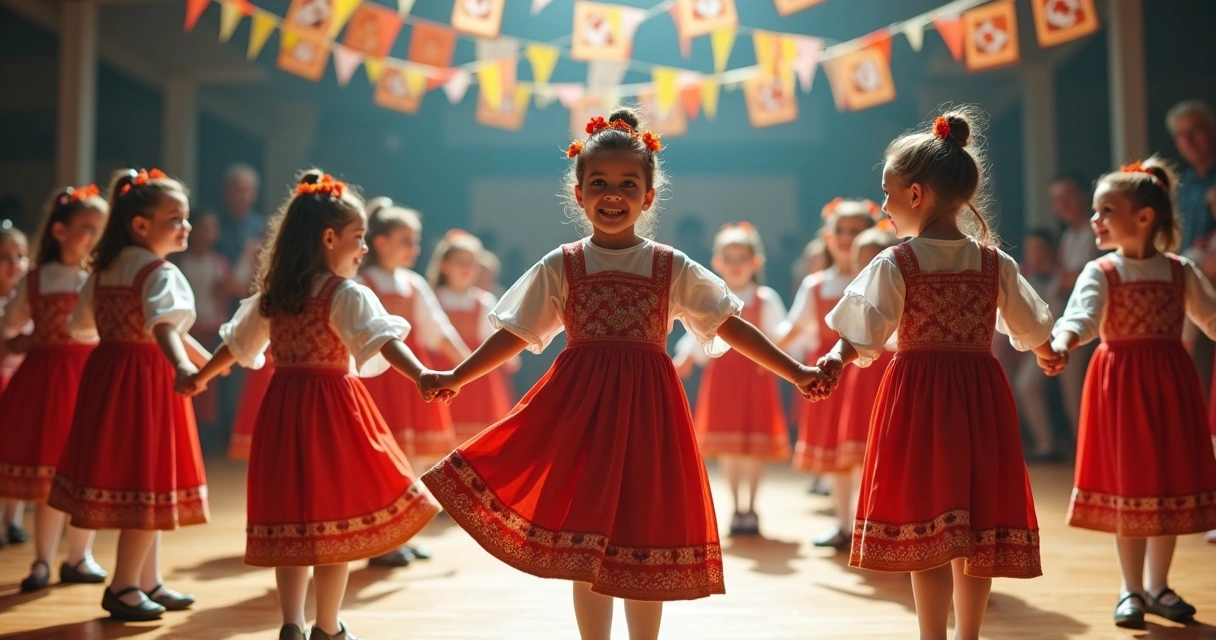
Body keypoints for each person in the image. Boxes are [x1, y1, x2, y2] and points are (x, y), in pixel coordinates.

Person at [419, 109, 828, 640]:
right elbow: (516, 332)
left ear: (649, 196)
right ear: (579, 193)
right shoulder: (562, 264)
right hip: (580, 416)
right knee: (585, 538)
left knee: (643, 530)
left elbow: (730, 327)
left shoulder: (670, 265)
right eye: (600, 184)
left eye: (627, 184)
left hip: (649, 414)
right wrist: (459, 373)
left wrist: (794, 370)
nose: (613, 194)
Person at [812, 108, 1057, 640]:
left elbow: (864, 331)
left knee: (931, 519)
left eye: (888, 193)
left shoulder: (897, 262)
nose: (883, 205)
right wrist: (1046, 350)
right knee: (976, 519)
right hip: (977, 396)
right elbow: (1032, 323)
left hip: (919, 396)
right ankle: (965, 634)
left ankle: (934, 635)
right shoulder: (994, 264)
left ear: (917, 195)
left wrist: (836, 358)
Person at [185, 171, 442, 640]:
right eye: (358, 238)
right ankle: (328, 625)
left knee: (292, 521)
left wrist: (199, 376)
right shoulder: (345, 294)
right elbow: (382, 340)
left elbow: (236, 346)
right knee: (334, 521)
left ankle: (291, 624)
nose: (362, 249)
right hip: (334, 412)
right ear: (329, 239)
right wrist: (422, 375)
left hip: (284, 409)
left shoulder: (275, 297)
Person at [1048, 157, 1216, 629]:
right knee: (1131, 483)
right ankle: (1132, 588)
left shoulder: (1181, 271)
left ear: (1143, 217)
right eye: (1096, 211)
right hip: (1120, 384)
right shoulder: (1102, 271)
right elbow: (1079, 318)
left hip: (1170, 385)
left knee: (1165, 483)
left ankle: (1159, 584)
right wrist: (1062, 343)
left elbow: (1211, 318)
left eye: (1105, 211)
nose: (1094, 220)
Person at [48, 169, 210, 621]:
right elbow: (164, 326)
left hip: (108, 374)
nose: (186, 226)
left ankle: (146, 579)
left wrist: (203, 356)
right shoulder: (160, 272)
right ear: (141, 225)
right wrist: (184, 364)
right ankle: (123, 586)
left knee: (138, 477)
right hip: (147, 381)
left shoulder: (104, 271)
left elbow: (79, 326)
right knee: (147, 481)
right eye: (175, 218)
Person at [0, 186, 108, 591]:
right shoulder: (36, 280)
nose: (93, 237)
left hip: (87, 379)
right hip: (44, 383)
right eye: (86, 228)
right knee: (49, 478)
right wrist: (20, 340)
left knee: (85, 472)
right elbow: (10, 324)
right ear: (60, 231)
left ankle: (80, 556)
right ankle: (43, 561)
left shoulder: (95, 278)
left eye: (99, 229)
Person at [674, 222, 788, 536]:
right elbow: (698, 332)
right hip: (723, 378)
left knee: (753, 444)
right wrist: (685, 354)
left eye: (742, 258)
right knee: (728, 445)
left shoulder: (765, 298)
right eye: (730, 258)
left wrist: (783, 355)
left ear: (756, 262)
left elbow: (781, 335)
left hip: (755, 377)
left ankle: (750, 506)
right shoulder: (713, 297)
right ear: (718, 263)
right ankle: (736, 505)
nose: (736, 266)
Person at [779, 198, 877, 548]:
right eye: (842, 231)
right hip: (832, 375)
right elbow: (792, 326)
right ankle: (844, 525)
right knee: (837, 453)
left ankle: (872, 525)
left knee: (868, 451)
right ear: (829, 236)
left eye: (856, 231)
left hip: (870, 374)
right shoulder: (817, 283)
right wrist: (762, 350)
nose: (848, 238)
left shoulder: (881, 279)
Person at [427, 229, 518, 442]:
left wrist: (511, 358)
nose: (467, 268)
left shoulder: (484, 301)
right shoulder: (433, 298)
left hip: (477, 377)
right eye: (461, 262)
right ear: (444, 265)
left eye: (472, 263)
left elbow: (495, 336)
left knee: (475, 438)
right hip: (440, 369)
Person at [1051, 172, 1100, 435]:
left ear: (1083, 195)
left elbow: (1081, 275)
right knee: (1070, 386)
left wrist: (1059, 273)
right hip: (1067, 318)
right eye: (1057, 199)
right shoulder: (1069, 235)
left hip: (1089, 320)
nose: (1062, 204)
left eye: (1067, 195)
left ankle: (1089, 445)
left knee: (1079, 385)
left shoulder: (1097, 231)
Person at [1014, 228, 1066, 461]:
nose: (1033, 254)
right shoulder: (1027, 277)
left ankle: (1061, 443)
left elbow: (1052, 316)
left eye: (1038, 249)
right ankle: (1045, 444)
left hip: (1061, 341)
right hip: (1038, 345)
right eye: (1030, 249)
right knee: (1026, 385)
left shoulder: (1061, 278)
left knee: (1072, 391)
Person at [0, 224, 29, 546]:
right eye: (5, 256)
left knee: (17, 453)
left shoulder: (25, 305)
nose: (14, 264)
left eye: (19, 256)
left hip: (19, 385)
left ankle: (14, 518)